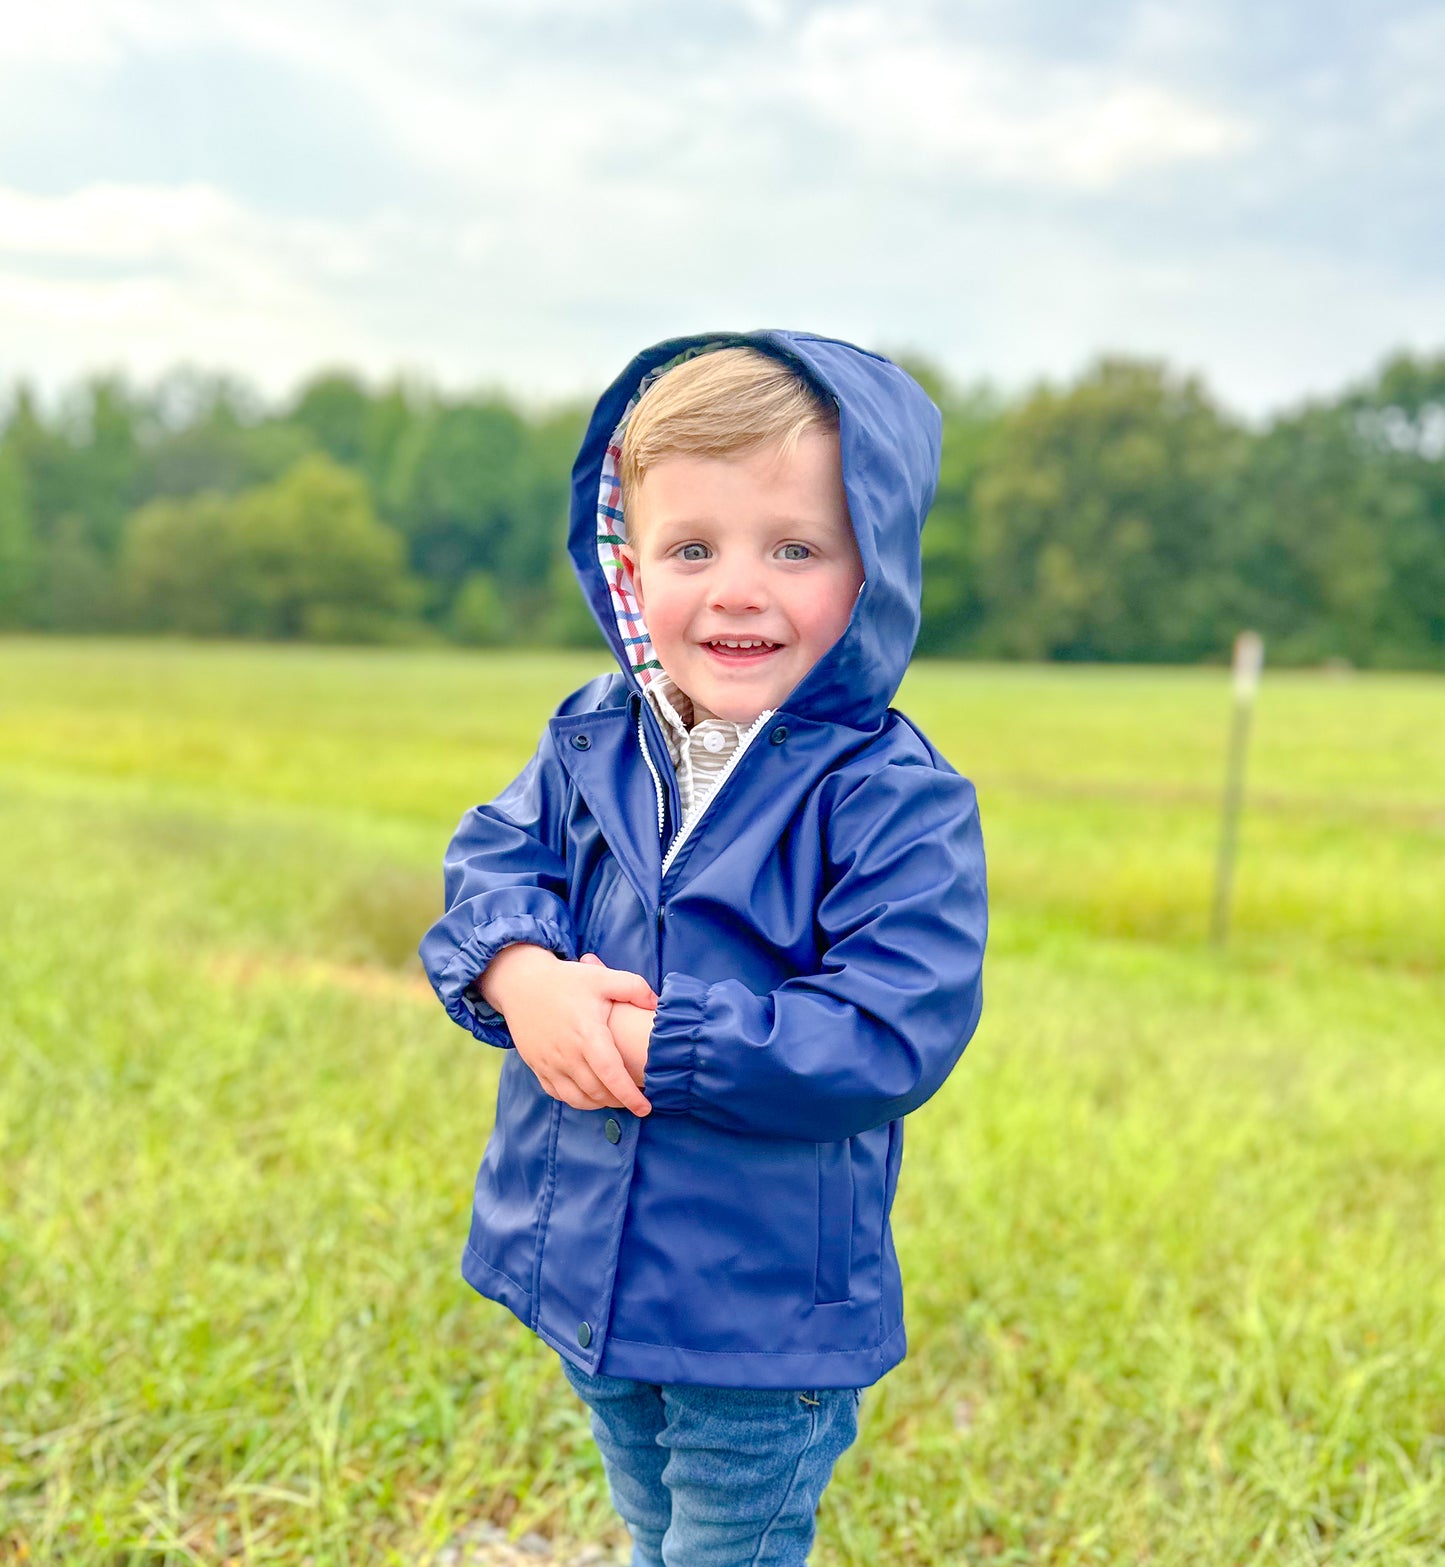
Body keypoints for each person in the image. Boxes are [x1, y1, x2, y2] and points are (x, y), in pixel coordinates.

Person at [418, 330, 988, 1566]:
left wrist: (653, 1043)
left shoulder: (891, 796)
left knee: (727, 1543)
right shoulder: (594, 735)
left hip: (760, 1312)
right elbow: (491, 864)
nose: (737, 589)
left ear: (871, 567)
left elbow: (890, 1026)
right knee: (652, 1520)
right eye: (692, 549)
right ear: (629, 568)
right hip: (587, 1266)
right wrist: (521, 975)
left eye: (793, 548)